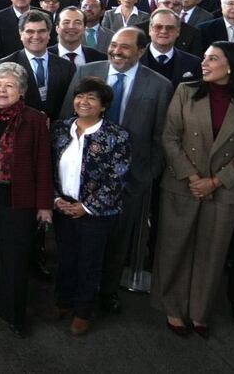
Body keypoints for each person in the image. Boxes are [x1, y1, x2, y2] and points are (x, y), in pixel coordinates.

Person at [60, 26, 172, 314]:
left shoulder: (159, 85)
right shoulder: (87, 71)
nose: (116, 51)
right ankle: (70, 296)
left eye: (124, 47)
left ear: (141, 51)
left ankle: (107, 293)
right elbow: (64, 122)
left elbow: (161, 139)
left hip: (129, 184)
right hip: (80, 183)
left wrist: (144, 178)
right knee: (77, 245)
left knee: (117, 244)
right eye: (113, 45)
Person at [153, 42, 234, 338]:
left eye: (212, 59)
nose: (203, 63)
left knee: (212, 251)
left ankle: (199, 311)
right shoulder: (186, 91)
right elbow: (169, 137)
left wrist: (215, 181)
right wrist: (194, 177)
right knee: (175, 246)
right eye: (204, 58)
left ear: (230, 65)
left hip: (226, 189)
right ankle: (173, 307)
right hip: (183, 183)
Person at [0, 62, 53, 337]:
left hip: (18, 202)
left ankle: (13, 313)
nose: (2, 90)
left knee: (14, 259)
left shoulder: (35, 119)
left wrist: (44, 205)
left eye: (9, 86)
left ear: (22, 91)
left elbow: (43, 164)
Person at [50, 77, 131, 336]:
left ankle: (83, 311)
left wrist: (87, 207)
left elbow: (116, 178)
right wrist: (55, 199)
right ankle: (63, 302)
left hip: (96, 213)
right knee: (65, 259)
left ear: (104, 106)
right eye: (80, 96)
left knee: (90, 262)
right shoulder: (61, 129)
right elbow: (47, 167)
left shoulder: (116, 136)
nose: (83, 102)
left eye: (91, 98)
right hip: (63, 206)